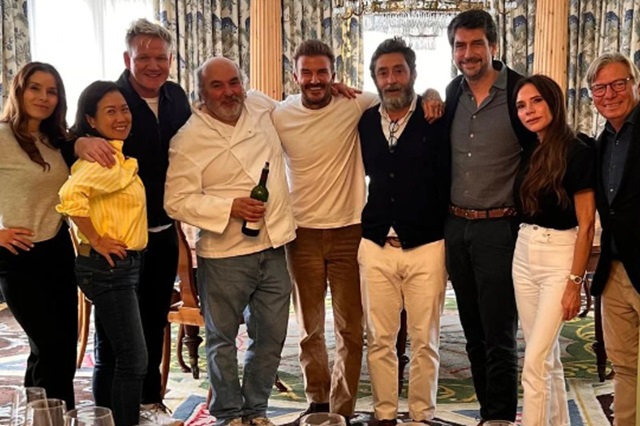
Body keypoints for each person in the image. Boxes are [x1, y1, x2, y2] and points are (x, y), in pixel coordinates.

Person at [164, 56, 295, 426]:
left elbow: (299, 110)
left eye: (234, 82)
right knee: (222, 341)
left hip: (273, 245)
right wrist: (230, 207)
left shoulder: (260, 105)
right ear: (202, 93)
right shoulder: (189, 138)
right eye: (217, 86)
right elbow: (176, 200)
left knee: (271, 336)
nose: (228, 92)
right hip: (224, 253)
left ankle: (256, 409)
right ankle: (228, 414)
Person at [74, 19, 191, 422]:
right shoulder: (112, 98)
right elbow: (68, 142)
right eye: (144, 58)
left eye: (161, 58)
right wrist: (80, 141)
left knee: (154, 322)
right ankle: (109, 413)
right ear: (128, 59)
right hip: (118, 242)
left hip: (163, 231)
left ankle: (148, 401)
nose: (153, 65)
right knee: (117, 338)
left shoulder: (177, 98)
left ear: (171, 60)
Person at [272, 39, 377, 422]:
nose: (314, 80)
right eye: (307, 72)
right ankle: (317, 400)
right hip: (301, 234)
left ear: (335, 74)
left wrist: (431, 95)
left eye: (322, 72)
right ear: (295, 75)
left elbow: (398, 94)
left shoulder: (355, 104)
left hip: (350, 231)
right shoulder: (280, 114)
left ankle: (342, 407)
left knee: (351, 328)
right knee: (310, 328)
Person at [442, 10, 537, 424]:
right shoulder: (452, 93)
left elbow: (543, 150)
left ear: (493, 46)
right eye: (460, 45)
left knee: (499, 333)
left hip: (501, 227)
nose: (468, 53)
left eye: (476, 44)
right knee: (472, 333)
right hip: (456, 227)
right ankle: (486, 411)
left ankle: (500, 417)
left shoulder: (520, 92)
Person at [357, 37, 449, 426]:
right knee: (379, 339)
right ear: (374, 78)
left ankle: (422, 416)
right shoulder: (364, 120)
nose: (391, 79)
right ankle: (384, 414)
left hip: (427, 245)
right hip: (376, 244)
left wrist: (433, 94)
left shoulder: (436, 116)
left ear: (413, 73)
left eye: (399, 70)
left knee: (425, 339)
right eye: (383, 72)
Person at [57, 81, 148, 426]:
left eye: (124, 109)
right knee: (134, 360)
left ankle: (105, 420)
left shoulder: (113, 155)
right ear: (91, 121)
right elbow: (70, 197)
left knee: (111, 355)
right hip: (109, 267)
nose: (122, 116)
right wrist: (95, 238)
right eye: (111, 111)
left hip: (118, 266)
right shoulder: (103, 160)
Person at [512, 75, 596, 426]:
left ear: (553, 102)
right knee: (546, 358)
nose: (529, 111)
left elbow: (586, 225)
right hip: (523, 253)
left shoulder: (578, 151)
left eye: (536, 101)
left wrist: (575, 282)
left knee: (534, 362)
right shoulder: (531, 148)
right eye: (521, 105)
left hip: (560, 256)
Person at [0, 62, 77, 408]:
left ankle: (44, 415)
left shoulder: (54, 140)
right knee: (51, 347)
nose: (44, 97)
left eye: (52, 91)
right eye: (35, 88)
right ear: (19, 90)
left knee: (57, 348)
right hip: (18, 256)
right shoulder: (1, 136)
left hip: (58, 251)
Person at [586, 52, 640, 426]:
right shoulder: (600, 142)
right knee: (624, 366)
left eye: (618, 84)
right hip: (615, 270)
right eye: (600, 87)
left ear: (635, 84)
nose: (609, 94)